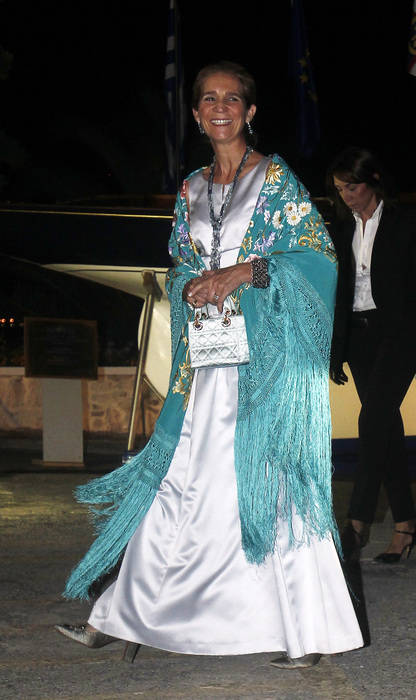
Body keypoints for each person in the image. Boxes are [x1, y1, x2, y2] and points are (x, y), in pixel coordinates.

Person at [55, 62, 363, 669]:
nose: (220, 106)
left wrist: (245, 272)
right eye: (208, 99)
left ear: (250, 112)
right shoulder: (191, 188)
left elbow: (319, 259)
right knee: (175, 477)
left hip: (262, 368)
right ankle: (120, 614)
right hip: (205, 362)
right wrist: (192, 283)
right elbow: (179, 261)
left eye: (232, 98)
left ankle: (306, 633)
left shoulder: (274, 180)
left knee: (270, 483)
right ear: (196, 114)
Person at [326, 147, 416, 564]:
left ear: (373, 180)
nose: (346, 196)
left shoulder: (405, 219)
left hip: (399, 336)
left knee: (372, 419)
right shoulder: (340, 226)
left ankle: (356, 523)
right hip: (359, 337)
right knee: (386, 429)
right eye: (340, 189)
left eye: (352, 187)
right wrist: (335, 348)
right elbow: (336, 290)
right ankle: (406, 525)